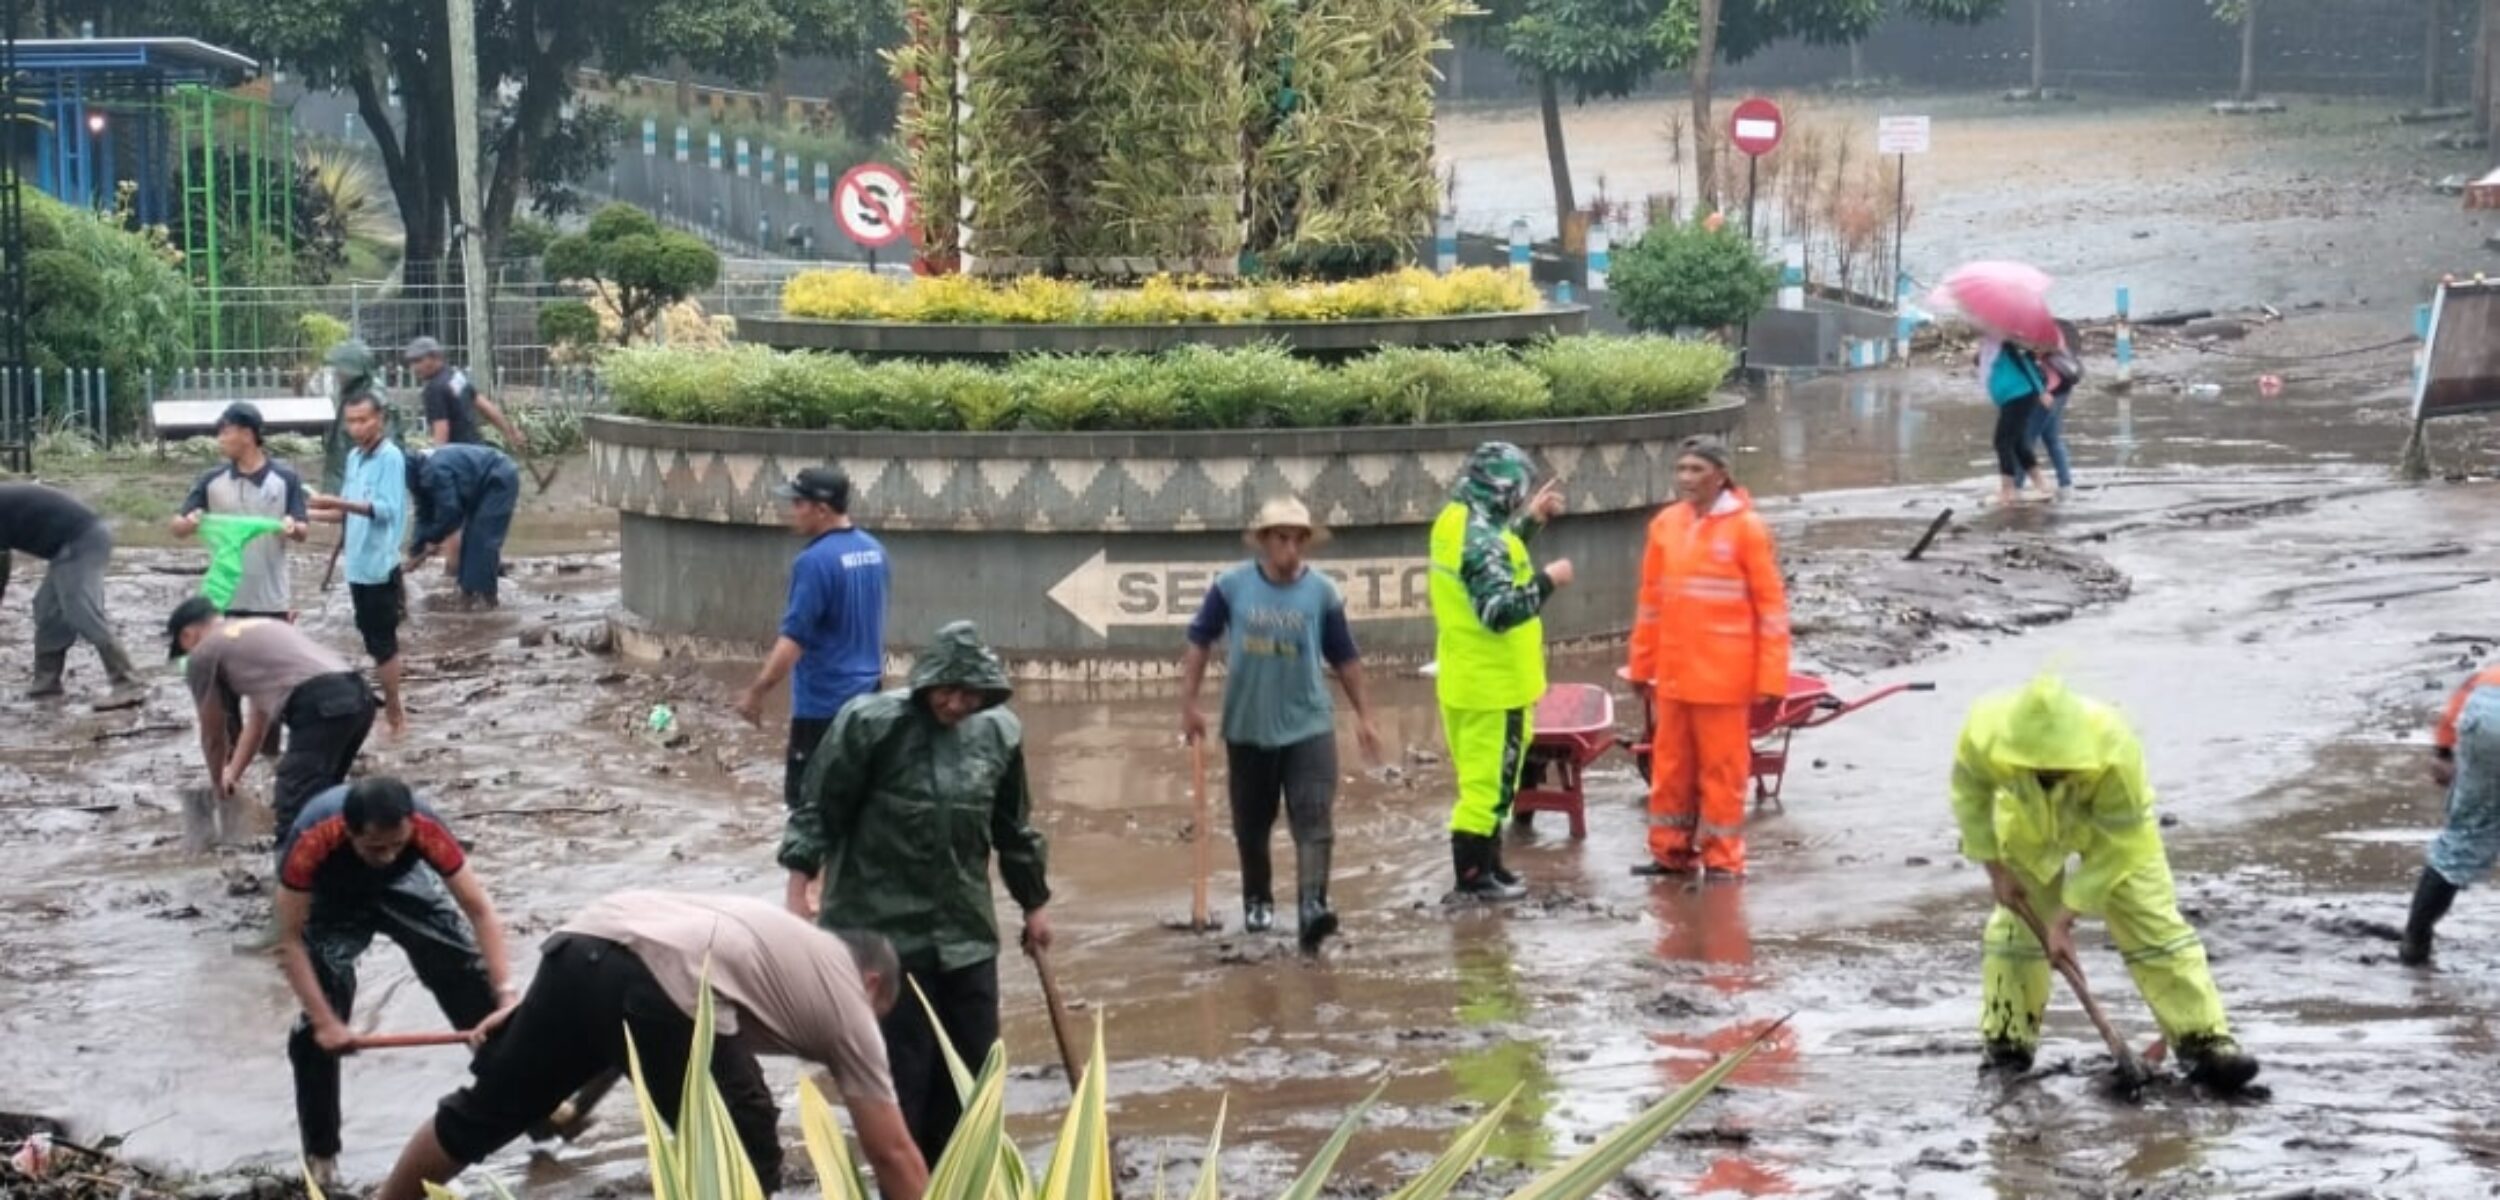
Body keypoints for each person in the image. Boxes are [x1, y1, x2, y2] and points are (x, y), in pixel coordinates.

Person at [374, 892, 930, 1200]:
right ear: (873, 983)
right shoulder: (847, 996)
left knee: (484, 1112)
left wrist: (529, 1013)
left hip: (579, 947)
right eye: (878, 1015)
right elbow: (892, 1152)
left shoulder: (785, 941)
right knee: (746, 1137)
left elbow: (636, 944)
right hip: (657, 983)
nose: (872, 1028)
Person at [779, 621, 1052, 1165]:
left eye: (969, 694)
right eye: (946, 690)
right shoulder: (870, 724)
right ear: (925, 682)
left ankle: (960, 1180)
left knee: (971, 1076)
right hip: (883, 937)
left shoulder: (999, 735)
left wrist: (1035, 904)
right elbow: (820, 809)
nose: (956, 704)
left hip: (966, 935)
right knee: (901, 1080)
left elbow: (1012, 829)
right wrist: (798, 889)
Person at [1948, 674, 2260, 1091]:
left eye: (2059, 769)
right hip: (2027, 822)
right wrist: (1996, 870)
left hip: (2116, 831)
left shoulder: (2116, 751)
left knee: (2154, 927)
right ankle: (2007, 1047)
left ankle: (2205, 1043)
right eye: (2038, 768)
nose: (2050, 773)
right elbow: (1969, 798)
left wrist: (2064, 920)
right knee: (2016, 936)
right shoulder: (1985, 735)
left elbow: (2118, 845)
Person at [272, 777, 514, 1187]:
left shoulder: (424, 827)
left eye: (396, 844)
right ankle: (322, 1156)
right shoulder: (313, 838)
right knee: (316, 1027)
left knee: (461, 969)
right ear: (350, 833)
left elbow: (479, 910)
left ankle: (528, 1102)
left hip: (404, 884)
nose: (386, 855)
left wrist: (506, 993)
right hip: (330, 900)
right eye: (375, 847)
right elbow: (287, 938)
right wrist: (327, 1022)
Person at [1178, 497, 1384, 951]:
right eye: (1281, 539)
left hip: (1309, 722)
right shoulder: (1231, 587)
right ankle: (1258, 901)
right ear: (1264, 541)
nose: (1290, 549)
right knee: (1252, 823)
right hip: (1248, 725)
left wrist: (1365, 716)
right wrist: (1189, 705)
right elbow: (1199, 641)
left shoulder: (1322, 593)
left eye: (1298, 540)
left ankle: (1313, 905)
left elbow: (1345, 658)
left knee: (1314, 815)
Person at [1626, 436, 1790, 881]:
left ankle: (1723, 859)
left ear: (1721, 475)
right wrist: (1642, 665)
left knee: (1722, 773)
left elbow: (1771, 610)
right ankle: (1670, 853)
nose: (1686, 478)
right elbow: (1650, 603)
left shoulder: (1747, 530)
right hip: (1675, 677)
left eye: (1696, 470)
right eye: (1681, 469)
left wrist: (1771, 679)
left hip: (1723, 680)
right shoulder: (1666, 525)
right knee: (1670, 769)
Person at [1428, 442, 1571, 902]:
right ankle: (1473, 879)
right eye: (1519, 492)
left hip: (1468, 678)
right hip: (1494, 685)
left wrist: (1531, 521)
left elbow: (1490, 561)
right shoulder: (1480, 538)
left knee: (1489, 781)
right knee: (1487, 787)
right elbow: (1500, 610)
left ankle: (1490, 867)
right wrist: (1549, 580)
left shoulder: (1457, 521)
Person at [734, 467, 891, 817]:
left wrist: (757, 691)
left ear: (822, 509)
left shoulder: (813, 562)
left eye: (798, 503)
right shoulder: (875, 552)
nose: (792, 511)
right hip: (870, 706)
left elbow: (793, 641)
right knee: (860, 812)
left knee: (809, 817)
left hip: (823, 709)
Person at [168, 597, 377, 832]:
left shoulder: (203, 653)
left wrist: (216, 785)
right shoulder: (258, 628)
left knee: (291, 805)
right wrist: (232, 774)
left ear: (187, 635)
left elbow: (213, 735)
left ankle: (290, 852)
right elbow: (257, 726)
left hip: (321, 705)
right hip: (360, 697)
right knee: (323, 796)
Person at [174, 402, 312, 751]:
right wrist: (188, 524)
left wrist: (292, 527)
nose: (220, 439)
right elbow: (177, 526)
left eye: (225, 431)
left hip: (270, 598)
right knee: (225, 681)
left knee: (272, 681)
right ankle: (236, 755)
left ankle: (269, 753)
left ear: (248, 434)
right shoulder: (211, 481)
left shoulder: (285, 480)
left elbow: (302, 530)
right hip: (226, 599)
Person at [307, 393, 412, 737]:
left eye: (363, 420)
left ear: (380, 419)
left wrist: (336, 501)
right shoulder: (354, 458)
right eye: (351, 421)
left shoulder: (390, 458)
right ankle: (390, 705)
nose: (357, 428)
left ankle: (395, 711)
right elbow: (346, 512)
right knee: (370, 638)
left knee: (384, 642)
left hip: (380, 565)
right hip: (357, 567)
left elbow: (385, 510)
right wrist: (306, 513)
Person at [2399, 661, 2500, 966]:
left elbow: (2469, 689)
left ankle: (2415, 942)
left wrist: (2442, 751)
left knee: (2464, 836)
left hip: (2486, 709)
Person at [0, 482, 141, 698]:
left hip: (82, 540)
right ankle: (47, 682)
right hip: (66, 547)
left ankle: (128, 684)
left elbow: (1, 563)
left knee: (81, 611)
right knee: (48, 610)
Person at [405, 443, 521, 610]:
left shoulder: (434, 471)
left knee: (481, 540)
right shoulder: (419, 475)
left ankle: (482, 600)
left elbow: (451, 514)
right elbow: (423, 512)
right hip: (477, 486)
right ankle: (473, 591)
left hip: (498, 478)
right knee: (471, 540)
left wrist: (433, 538)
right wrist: (416, 548)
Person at [406, 336, 528, 453]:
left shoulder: (434, 389)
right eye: (411, 362)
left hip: (457, 456)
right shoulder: (454, 376)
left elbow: (441, 430)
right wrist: (511, 433)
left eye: (418, 361)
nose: (414, 367)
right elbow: (485, 406)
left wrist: (437, 460)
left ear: (435, 357)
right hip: (476, 450)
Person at [320, 340, 397, 497]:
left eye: (340, 368)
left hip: (363, 482)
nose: (337, 373)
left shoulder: (373, 397)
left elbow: (384, 443)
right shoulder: (348, 392)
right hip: (343, 473)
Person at [1980, 337, 2050, 508]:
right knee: (2018, 442)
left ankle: (2008, 491)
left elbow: (2026, 364)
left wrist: (2042, 391)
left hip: (2019, 395)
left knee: (2001, 442)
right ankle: (2042, 485)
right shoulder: (1991, 345)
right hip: (2011, 398)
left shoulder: (2006, 342)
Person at [2027, 320, 2082, 503]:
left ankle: (2014, 488)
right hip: (2059, 389)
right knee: (2052, 439)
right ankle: (2066, 485)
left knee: (2025, 442)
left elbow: (2042, 349)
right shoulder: (2049, 326)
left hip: (2050, 391)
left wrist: (2031, 349)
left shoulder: (2044, 330)